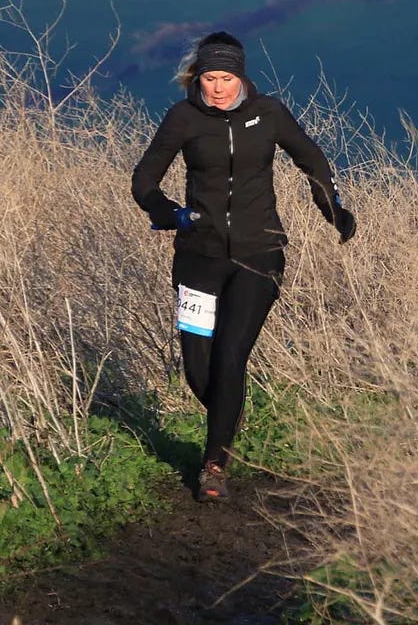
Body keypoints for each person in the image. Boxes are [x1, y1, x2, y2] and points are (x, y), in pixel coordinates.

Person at [131, 32, 356, 502]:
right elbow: (144, 179)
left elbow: (311, 158)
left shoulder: (268, 113)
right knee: (198, 368)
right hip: (199, 257)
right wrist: (168, 213)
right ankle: (229, 414)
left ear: (241, 76)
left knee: (231, 356)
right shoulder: (183, 118)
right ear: (198, 77)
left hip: (260, 255)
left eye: (226, 78)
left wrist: (332, 209)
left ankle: (214, 465)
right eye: (210, 78)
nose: (218, 88)